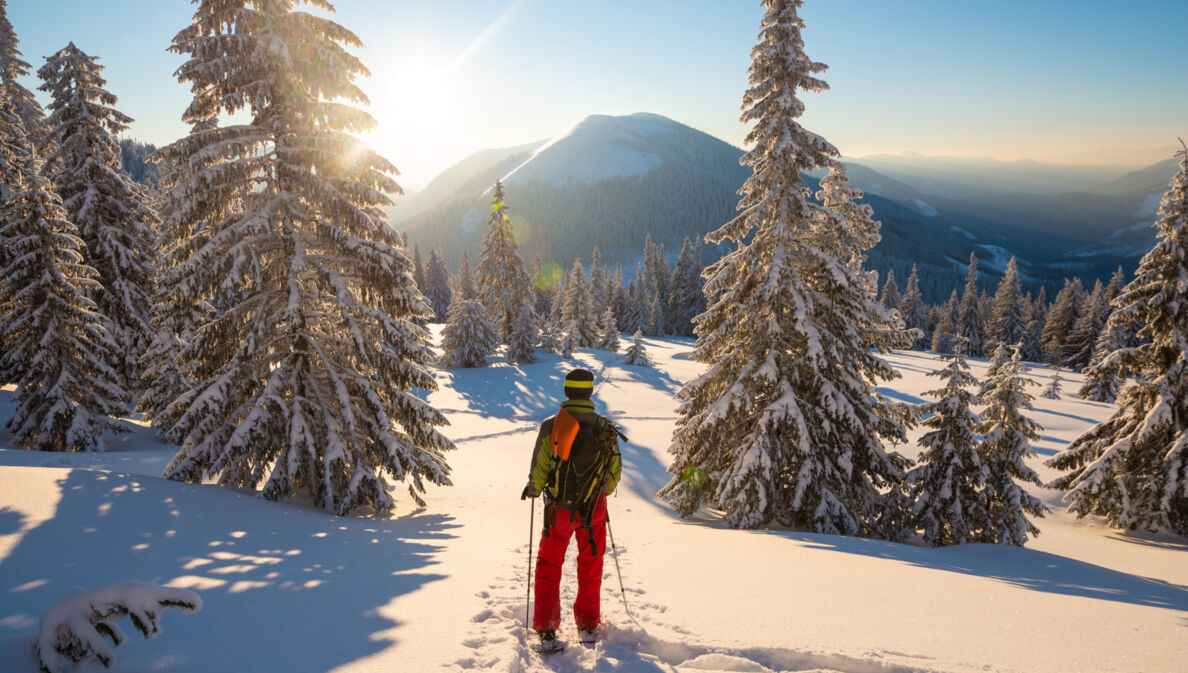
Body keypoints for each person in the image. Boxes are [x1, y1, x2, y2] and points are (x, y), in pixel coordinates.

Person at [521, 368, 622, 648]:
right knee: (591, 563)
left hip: (558, 509)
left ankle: (546, 627)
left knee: (549, 564)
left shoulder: (552, 425)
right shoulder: (605, 427)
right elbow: (613, 475)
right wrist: (600, 491)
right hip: (594, 510)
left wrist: (534, 488)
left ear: (567, 392)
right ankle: (588, 624)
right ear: (590, 392)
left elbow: (541, 466)